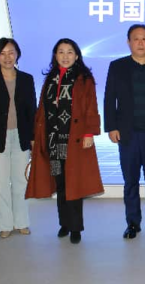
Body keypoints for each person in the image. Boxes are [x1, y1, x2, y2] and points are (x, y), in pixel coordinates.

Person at [25, 38, 104, 244]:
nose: (65, 56)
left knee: (74, 185)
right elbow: (41, 109)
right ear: (55, 55)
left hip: (74, 140)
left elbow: (91, 107)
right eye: (61, 52)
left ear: (77, 56)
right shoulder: (50, 78)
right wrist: (35, 136)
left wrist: (89, 133)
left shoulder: (84, 79)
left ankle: (76, 228)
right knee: (60, 184)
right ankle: (64, 224)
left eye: (70, 52)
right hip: (53, 140)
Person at [104, 24, 145, 239]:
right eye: (136, 39)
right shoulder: (117, 66)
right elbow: (109, 98)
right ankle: (132, 223)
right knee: (130, 181)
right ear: (128, 42)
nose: (140, 43)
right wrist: (111, 127)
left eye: (144, 39)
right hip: (127, 134)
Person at [0, 38, 36, 238]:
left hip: (21, 136)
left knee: (21, 182)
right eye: (2, 53)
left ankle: (22, 222)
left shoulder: (26, 79)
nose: (7, 57)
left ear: (17, 54)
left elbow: (32, 111)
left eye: (11, 52)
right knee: (1, 183)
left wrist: (33, 138)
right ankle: (5, 224)